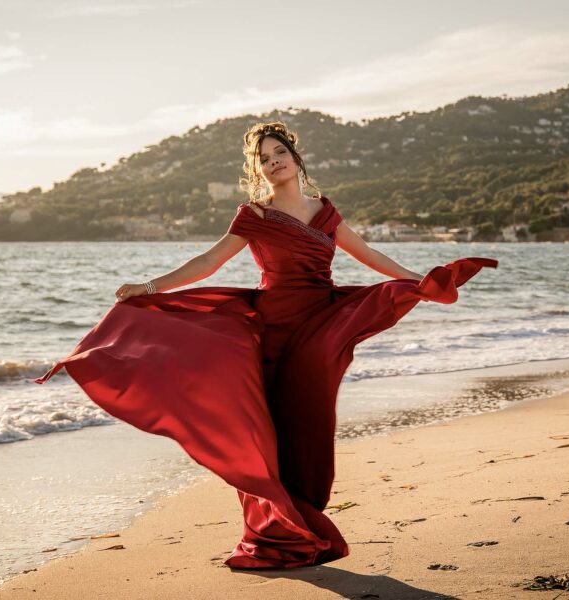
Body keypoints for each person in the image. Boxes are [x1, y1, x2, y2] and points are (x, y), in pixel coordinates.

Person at [34, 121, 498, 570]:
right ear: (257, 171)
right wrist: (152, 286)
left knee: (308, 424)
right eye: (264, 160)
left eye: (280, 154)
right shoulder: (254, 215)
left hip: (320, 325)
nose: (274, 163)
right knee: (266, 433)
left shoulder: (325, 212)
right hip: (273, 331)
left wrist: (421, 281)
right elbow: (209, 261)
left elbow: (371, 257)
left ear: (296, 158)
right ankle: (276, 532)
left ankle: (301, 521)